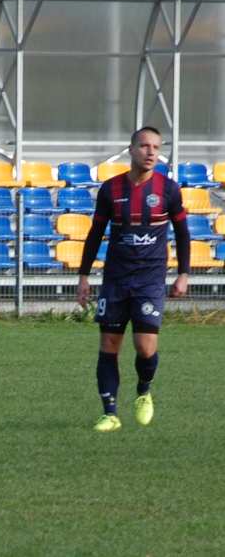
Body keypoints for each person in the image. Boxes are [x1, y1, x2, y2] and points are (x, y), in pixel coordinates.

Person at [76, 126, 189, 433]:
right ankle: (109, 413)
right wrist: (84, 275)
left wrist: (183, 273)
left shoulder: (168, 189)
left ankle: (143, 391)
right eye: (144, 146)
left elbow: (182, 233)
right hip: (115, 279)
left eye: (156, 147)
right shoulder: (110, 190)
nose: (151, 152)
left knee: (145, 347)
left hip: (149, 281)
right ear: (131, 150)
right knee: (109, 344)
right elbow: (95, 233)